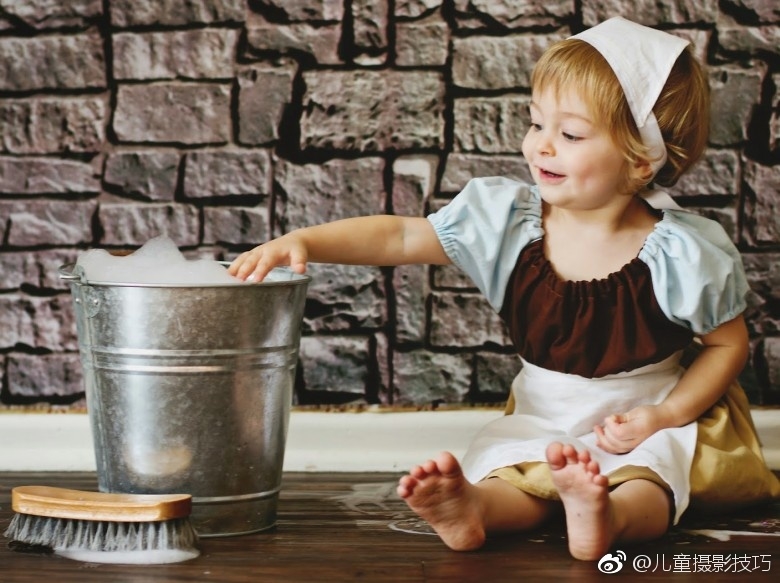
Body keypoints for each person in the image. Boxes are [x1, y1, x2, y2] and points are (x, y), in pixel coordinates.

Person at [229, 17, 780, 560]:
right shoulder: (508, 222)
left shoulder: (682, 253)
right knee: (513, 465)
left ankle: (609, 517)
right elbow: (400, 236)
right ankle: (475, 509)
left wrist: (666, 415)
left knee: (652, 478)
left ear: (640, 160)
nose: (541, 146)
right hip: (545, 408)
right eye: (536, 123)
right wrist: (305, 240)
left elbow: (726, 346)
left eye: (570, 134)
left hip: (644, 410)